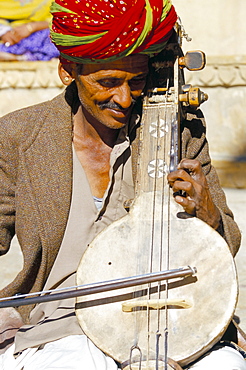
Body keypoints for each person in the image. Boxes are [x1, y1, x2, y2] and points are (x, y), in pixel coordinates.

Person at [0, 0, 244, 369]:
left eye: (137, 82)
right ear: (69, 71)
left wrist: (208, 215)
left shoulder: (182, 127)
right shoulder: (19, 136)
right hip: (65, 328)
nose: (125, 99)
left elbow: (225, 243)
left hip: (177, 314)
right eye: (108, 82)